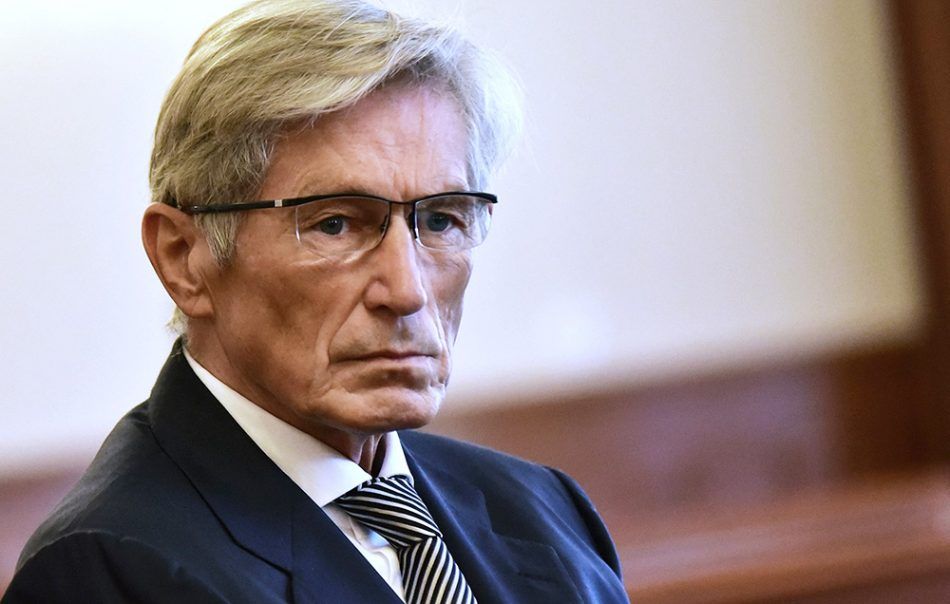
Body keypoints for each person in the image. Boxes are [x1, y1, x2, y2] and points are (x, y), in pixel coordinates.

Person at [3, 1, 628, 602]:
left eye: (440, 220)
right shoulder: (108, 570)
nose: (406, 291)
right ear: (184, 258)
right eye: (335, 224)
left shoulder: (546, 509)